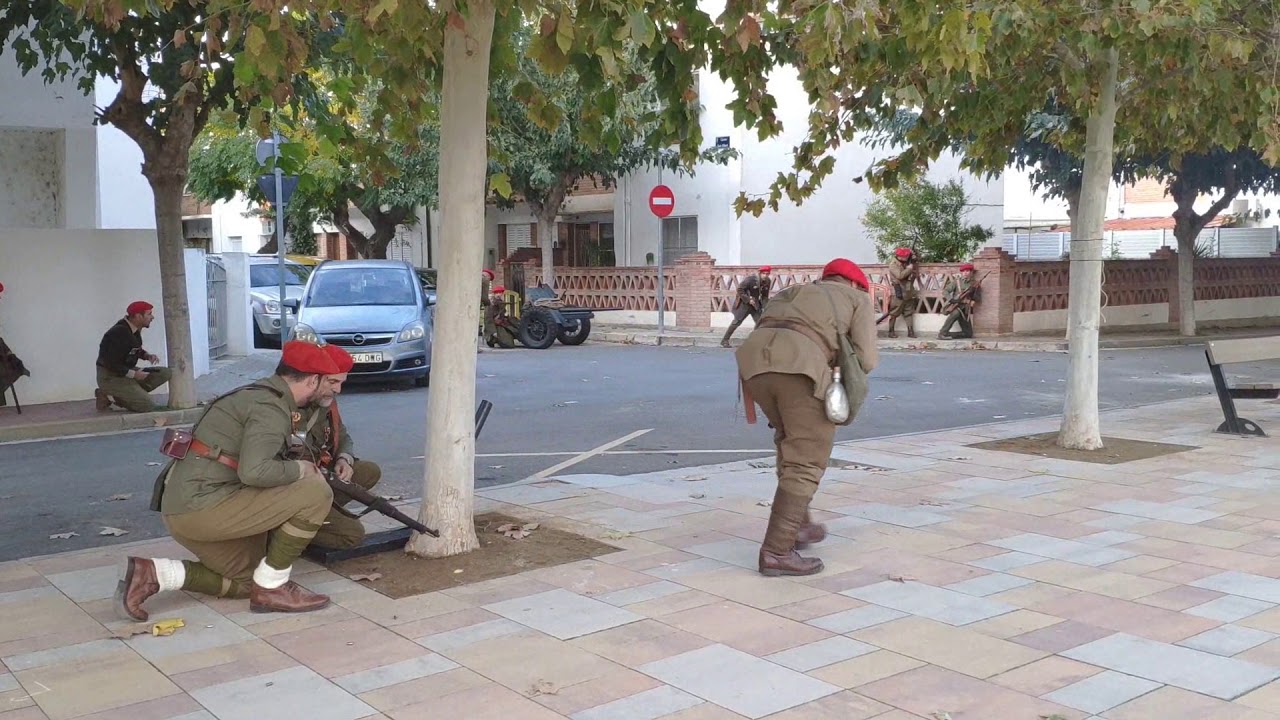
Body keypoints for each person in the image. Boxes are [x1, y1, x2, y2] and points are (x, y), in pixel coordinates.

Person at [115, 341, 342, 619]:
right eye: (327, 382)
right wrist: (302, 469)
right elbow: (254, 472)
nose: (333, 389)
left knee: (247, 582)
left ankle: (153, 573)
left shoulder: (257, 393)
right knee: (315, 490)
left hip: (185, 508)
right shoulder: (270, 407)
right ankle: (274, 587)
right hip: (203, 508)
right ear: (312, 380)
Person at [736, 258, 879, 577]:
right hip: (801, 370)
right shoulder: (857, 299)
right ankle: (776, 551)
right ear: (855, 284)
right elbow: (867, 358)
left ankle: (799, 526)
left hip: (753, 367)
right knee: (806, 459)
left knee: (790, 444)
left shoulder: (796, 290)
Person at [302, 343, 384, 550]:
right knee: (351, 536)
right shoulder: (296, 405)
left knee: (368, 471)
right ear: (314, 378)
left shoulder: (326, 402)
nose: (338, 389)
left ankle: (320, 515)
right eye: (332, 381)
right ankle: (290, 534)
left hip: (321, 478)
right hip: (299, 486)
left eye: (341, 382)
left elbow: (342, 435)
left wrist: (344, 459)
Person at [95, 301, 172, 412]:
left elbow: (133, 349)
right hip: (111, 376)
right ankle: (108, 396)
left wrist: (146, 355)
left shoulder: (133, 329)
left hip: (126, 373)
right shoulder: (118, 333)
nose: (152, 317)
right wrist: (134, 374)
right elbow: (110, 363)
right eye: (149, 314)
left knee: (164, 373)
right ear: (138, 316)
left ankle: (131, 393)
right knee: (147, 406)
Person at [720, 266, 773, 347]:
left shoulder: (767, 281)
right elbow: (740, 289)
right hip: (744, 304)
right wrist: (748, 299)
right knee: (737, 322)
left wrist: (766, 307)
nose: (765, 275)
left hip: (755, 305)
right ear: (760, 273)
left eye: (767, 274)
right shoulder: (751, 280)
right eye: (763, 274)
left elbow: (765, 296)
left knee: (760, 323)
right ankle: (725, 340)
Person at [885, 247, 919, 339]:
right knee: (894, 312)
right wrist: (909, 269)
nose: (907, 257)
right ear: (899, 256)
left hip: (908, 291)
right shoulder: (893, 264)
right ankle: (891, 331)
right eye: (905, 256)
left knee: (909, 312)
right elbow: (899, 276)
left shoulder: (907, 261)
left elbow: (914, 260)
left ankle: (910, 331)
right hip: (899, 291)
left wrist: (914, 255)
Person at [939, 263, 979, 340]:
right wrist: (951, 299)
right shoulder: (957, 282)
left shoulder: (974, 283)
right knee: (955, 314)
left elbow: (978, 298)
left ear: (971, 272)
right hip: (956, 306)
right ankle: (942, 333)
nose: (965, 273)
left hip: (966, 309)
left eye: (967, 271)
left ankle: (950, 334)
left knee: (968, 334)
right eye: (963, 271)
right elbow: (945, 291)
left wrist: (974, 292)